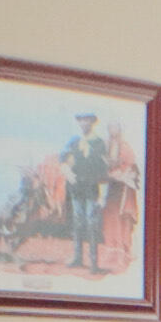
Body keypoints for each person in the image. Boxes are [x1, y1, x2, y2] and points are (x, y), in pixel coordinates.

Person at [60, 111, 112, 273]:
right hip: (77, 189)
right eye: (81, 121)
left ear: (92, 123)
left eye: (87, 121)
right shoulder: (74, 141)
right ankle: (77, 258)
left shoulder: (99, 143)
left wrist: (103, 195)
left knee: (92, 224)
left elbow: (103, 169)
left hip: (91, 188)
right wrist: (68, 172)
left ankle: (94, 263)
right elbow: (63, 159)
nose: (84, 123)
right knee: (77, 223)